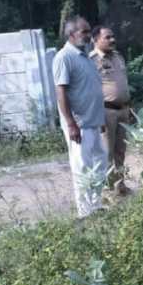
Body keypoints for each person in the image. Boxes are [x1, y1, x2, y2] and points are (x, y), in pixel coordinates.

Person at [52, 16, 107, 218]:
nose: (88, 35)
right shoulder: (63, 57)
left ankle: (96, 204)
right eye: (84, 31)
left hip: (93, 121)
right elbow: (61, 93)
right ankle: (85, 212)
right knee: (82, 167)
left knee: (99, 163)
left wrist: (100, 120)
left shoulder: (84, 56)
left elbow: (91, 90)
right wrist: (71, 124)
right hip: (79, 124)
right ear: (71, 34)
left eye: (89, 31)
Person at [89, 26, 132, 196]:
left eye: (113, 36)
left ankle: (120, 185)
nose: (112, 40)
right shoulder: (91, 61)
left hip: (123, 109)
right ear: (95, 40)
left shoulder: (118, 56)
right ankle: (107, 189)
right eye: (107, 37)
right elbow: (90, 91)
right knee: (106, 151)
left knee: (121, 150)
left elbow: (123, 81)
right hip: (106, 112)